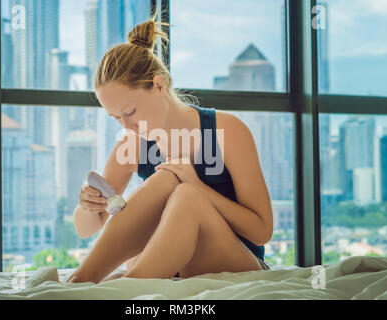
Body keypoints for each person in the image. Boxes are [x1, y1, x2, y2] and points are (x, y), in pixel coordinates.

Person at [66, 10, 272, 284]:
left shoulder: (227, 131)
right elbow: (86, 229)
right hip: (171, 266)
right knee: (168, 179)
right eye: (116, 118)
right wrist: (88, 207)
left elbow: (261, 232)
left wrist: (197, 186)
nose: (126, 126)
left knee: (183, 191)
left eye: (130, 112)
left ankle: (127, 286)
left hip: (237, 261)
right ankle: (80, 281)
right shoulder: (131, 145)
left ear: (158, 86)